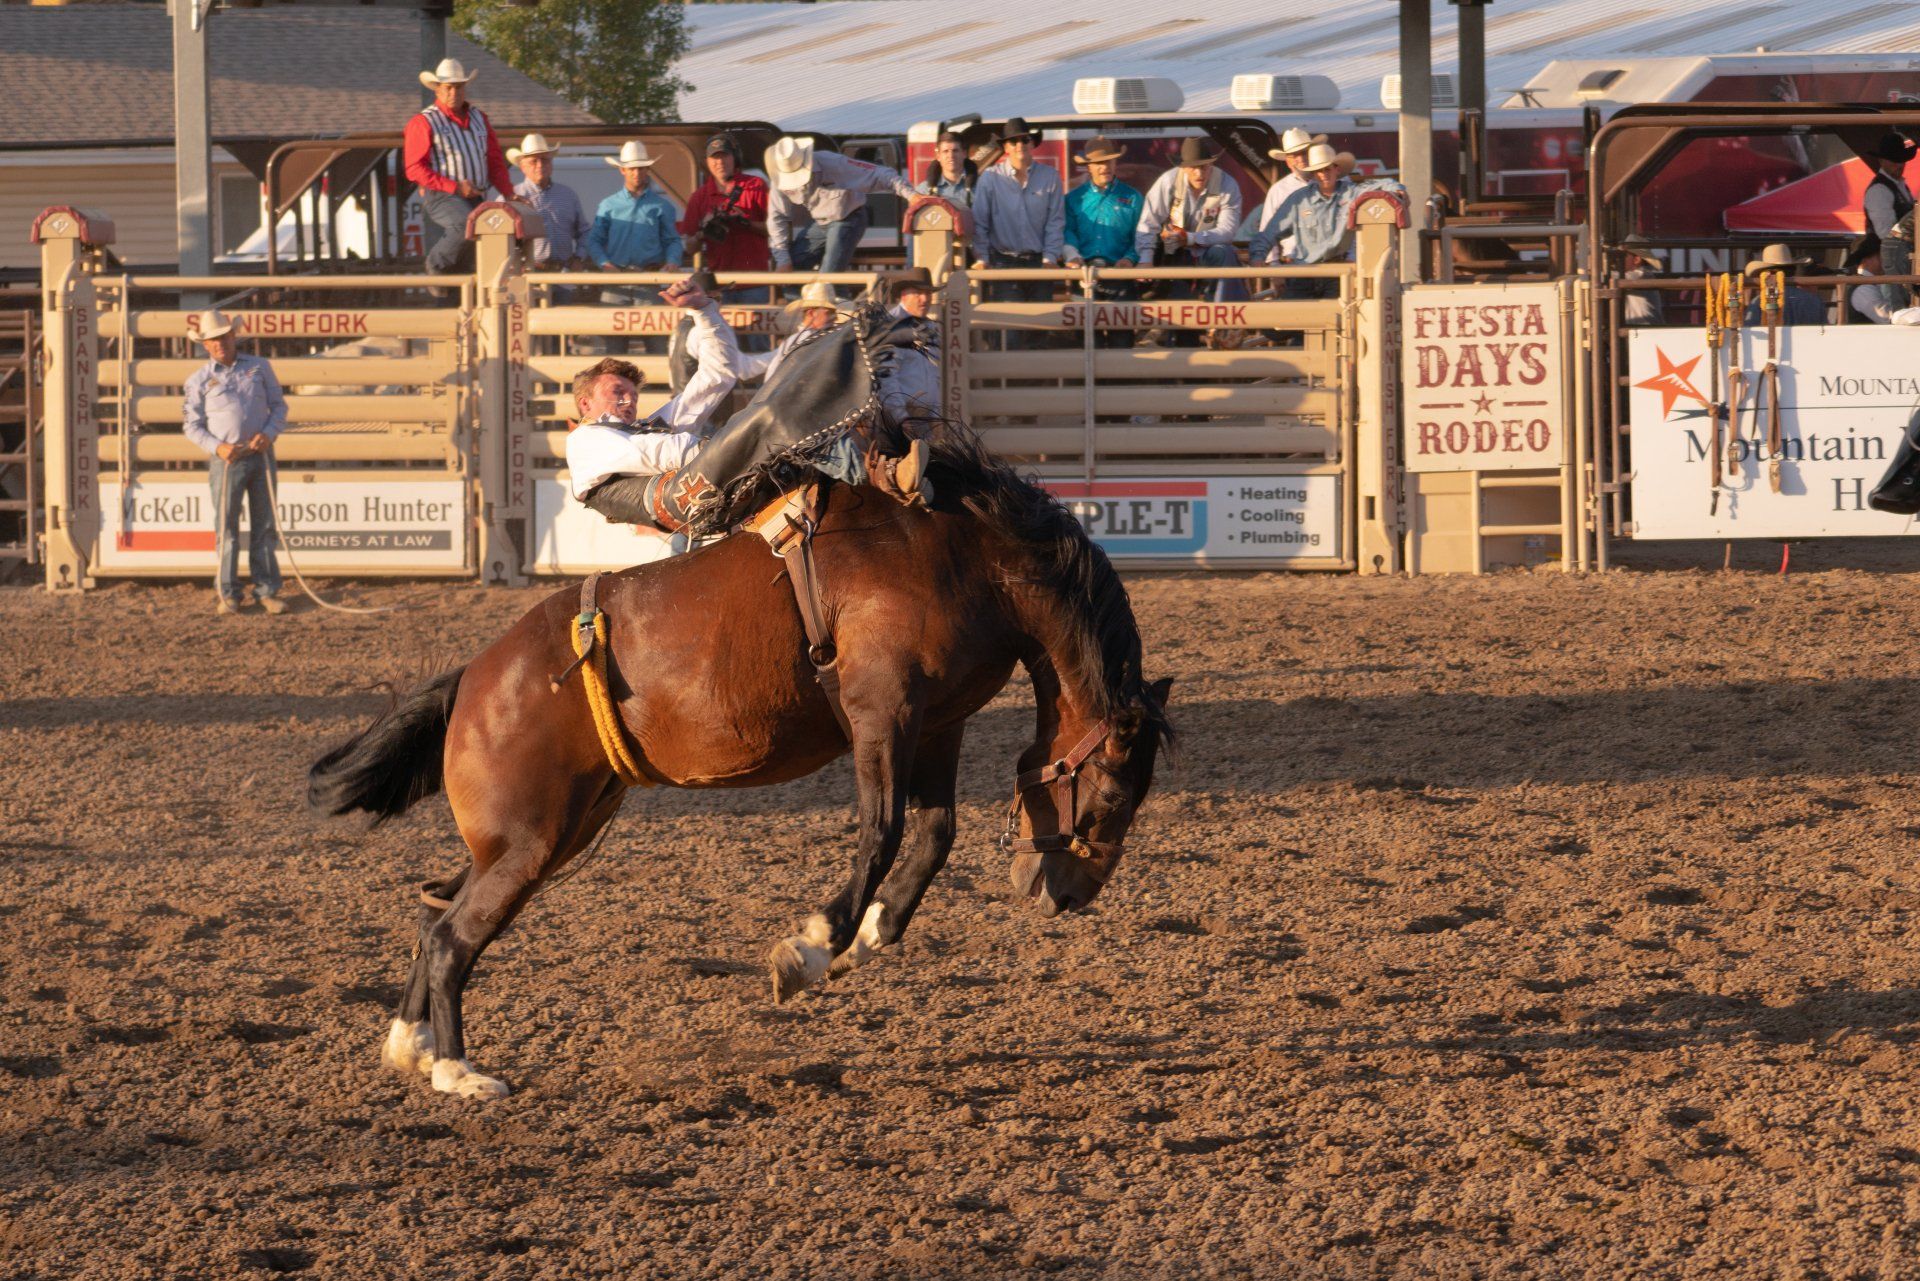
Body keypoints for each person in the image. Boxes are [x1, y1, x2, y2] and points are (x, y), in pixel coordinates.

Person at [181, 309, 288, 615]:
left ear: (233, 336)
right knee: (226, 528)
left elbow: (279, 406)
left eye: (224, 337)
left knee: (264, 524)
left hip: (260, 454)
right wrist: (217, 447)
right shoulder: (199, 380)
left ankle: (266, 590)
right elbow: (191, 424)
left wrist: (268, 434)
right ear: (205, 345)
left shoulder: (259, 367)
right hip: (227, 460)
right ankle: (229, 592)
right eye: (213, 340)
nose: (220, 344)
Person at [1248, 143, 1406, 299]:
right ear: (1313, 174)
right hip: (1303, 272)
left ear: (1337, 170)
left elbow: (1384, 183)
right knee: (1291, 320)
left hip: (1337, 273)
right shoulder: (1299, 199)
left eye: (1327, 169)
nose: (1323, 174)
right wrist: (1258, 256)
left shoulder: (1351, 193)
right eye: (1318, 171)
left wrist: (1397, 190)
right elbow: (1270, 232)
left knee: (1338, 320)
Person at [403, 58, 513, 274]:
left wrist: (509, 193)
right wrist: (454, 186)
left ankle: (458, 289)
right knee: (465, 224)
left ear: (465, 87)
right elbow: (414, 168)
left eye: (459, 86)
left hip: (475, 195)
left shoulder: (479, 118)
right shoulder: (424, 121)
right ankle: (435, 265)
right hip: (442, 195)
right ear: (438, 89)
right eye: (448, 87)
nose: (454, 92)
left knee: (485, 236)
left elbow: (495, 161)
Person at [564, 357, 702, 526]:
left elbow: (702, 394)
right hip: (675, 517)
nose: (629, 401)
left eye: (635, 397)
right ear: (586, 404)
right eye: (617, 391)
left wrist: (710, 330)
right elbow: (655, 453)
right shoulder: (584, 440)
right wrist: (715, 449)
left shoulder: (635, 431)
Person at [765, 136, 917, 274]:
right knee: (794, 266)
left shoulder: (832, 162)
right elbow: (776, 217)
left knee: (829, 276)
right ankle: (802, 303)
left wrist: (912, 195)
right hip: (820, 221)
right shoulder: (778, 178)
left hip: (849, 216)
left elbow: (880, 173)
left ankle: (832, 296)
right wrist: (783, 260)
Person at [588, 140, 683, 352]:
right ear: (622, 170)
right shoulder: (608, 206)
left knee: (657, 343)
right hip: (616, 280)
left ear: (648, 169)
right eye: (632, 168)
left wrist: (672, 261)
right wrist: (604, 263)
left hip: (649, 280)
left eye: (641, 168)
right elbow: (594, 240)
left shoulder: (661, 207)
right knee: (614, 346)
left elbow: (673, 240)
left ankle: (658, 385)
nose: (636, 173)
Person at [1136, 137, 1245, 305]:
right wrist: (1145, 259)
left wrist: (1191, 238)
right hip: (1172, 253)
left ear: (1211, 165)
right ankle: (1163, 320)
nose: (1199, 173)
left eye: (1204, 167)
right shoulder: (1168, 181)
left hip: (1209, 253)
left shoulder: (1227, 184)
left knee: (1224, 252)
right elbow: (1149, 222)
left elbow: (1227, 231)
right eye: (1193, 168)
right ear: (1183, 168)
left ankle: (1226, 319)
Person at [1062, 135, 1143, 349]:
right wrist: (1073, 256)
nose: (1104, 167)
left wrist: (1129, 257)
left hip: (1120, 275)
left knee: (1122, 341)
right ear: (1089, 166)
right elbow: (1067, 231)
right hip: (1084, 275)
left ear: (1116, 163)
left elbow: (1142, 236)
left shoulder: (1134, 198)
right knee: (1087, 341)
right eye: (1098, 163)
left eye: (1108, 161)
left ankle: (1119, 381)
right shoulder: (1073, 199)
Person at [679, 134, 771, 278]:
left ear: (735, 158)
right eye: (715, 157)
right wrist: (703, 232)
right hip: (719, 282)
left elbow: (776, 230)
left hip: (754, 280)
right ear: (707, 162)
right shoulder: (699, 196)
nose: (720, 162)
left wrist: (746, 223)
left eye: (725, 156)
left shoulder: (756, 185)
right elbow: (689, 247)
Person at [508, 133, 589, 272]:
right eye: (534, 161)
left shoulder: (567, 195)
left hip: (564, 273)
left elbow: (585, 231)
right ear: (523, 167)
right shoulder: (511, 198)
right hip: (528, 274)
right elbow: (501, 239)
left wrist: (579, 258)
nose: (540, 165)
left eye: (545, 160)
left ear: (551, 163)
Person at [1254, 127, 1324, 266]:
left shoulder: (1332, 181)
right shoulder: (1279, 190)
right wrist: (1274, 266)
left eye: (1304, 153)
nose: (1301, 159)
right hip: (1294, 260)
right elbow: (1267, 232)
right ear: (1287, 161)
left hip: (1330, 259)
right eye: (1294, 155)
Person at [1864, 131, 1917, 312]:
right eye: (1895, 161)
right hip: (1889, 260)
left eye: (1901, 161)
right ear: (1882, 161)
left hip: (1901, 257)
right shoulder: (1879, 190)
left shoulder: (1897, 186)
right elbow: (1887, 233)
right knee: (1897, 305)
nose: (1899, 165)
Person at [1841, 232, 1920, 324]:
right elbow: (1887, 317)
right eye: (1880, 255)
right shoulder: (1863, 289)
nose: (1884, 259)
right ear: (1865, 260)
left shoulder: (1866, 286)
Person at [1742, 244, 1826, 326]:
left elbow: (1750, 330)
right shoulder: (1813, 300)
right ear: (1792, 270)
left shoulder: (1758, 302)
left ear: (1766, 274)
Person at [1617, 234, 1667, 328]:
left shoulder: (1641, 274)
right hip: (1642, 331)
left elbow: (1614, 278)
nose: (1619, 259)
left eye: (1624, 255)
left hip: (1647, 332)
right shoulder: (1642, 275)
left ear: (1636, 259)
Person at [919, 131, 975, 207]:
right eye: (945, 151)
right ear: (938, 156)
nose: (951, 155)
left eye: (955, 151)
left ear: (964, 154)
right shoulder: (924, 191)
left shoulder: (981, 187)